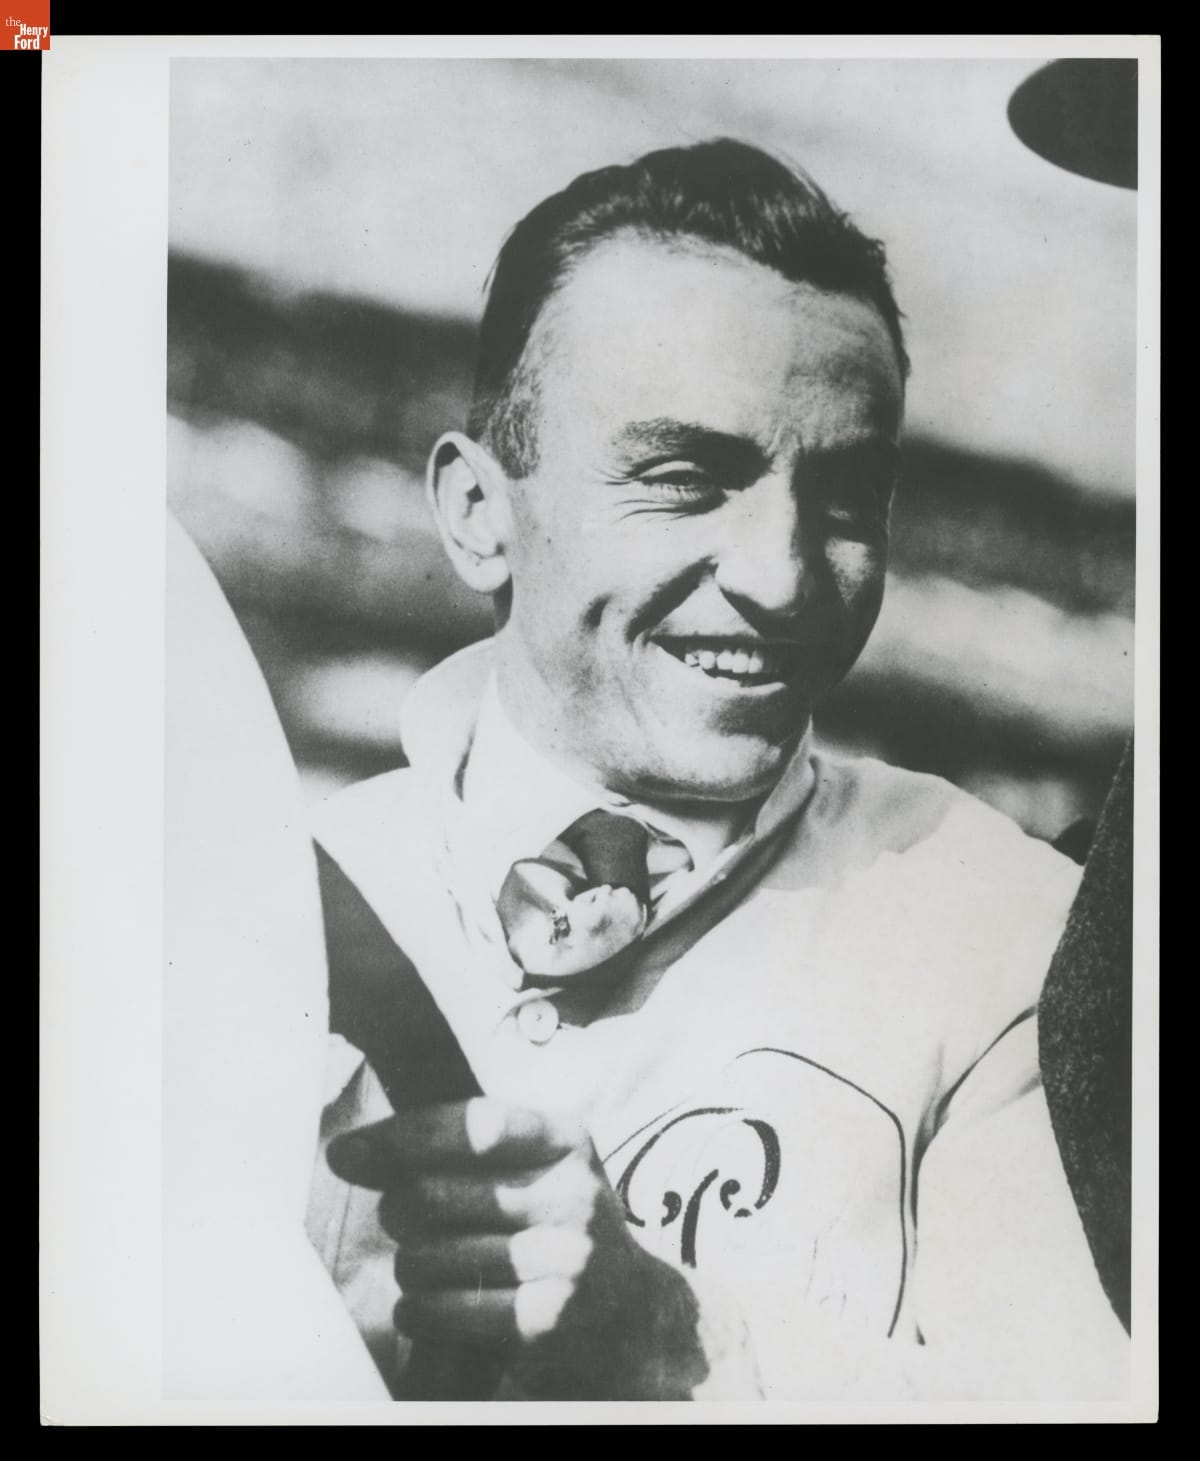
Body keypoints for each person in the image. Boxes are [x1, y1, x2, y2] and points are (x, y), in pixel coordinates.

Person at [304, 138, 1129, 1401]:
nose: (782, 579)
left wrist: (680, 1345)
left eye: (845, 502)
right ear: (478, 513)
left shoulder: (1006, 942)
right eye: (687, 480)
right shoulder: (274, 900)